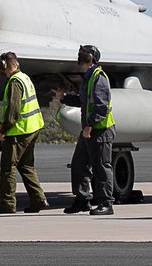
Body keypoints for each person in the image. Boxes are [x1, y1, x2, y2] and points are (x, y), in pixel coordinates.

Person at [52, 45, 115, 216]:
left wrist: (89, 126)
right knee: (79, 165)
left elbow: (101, 107)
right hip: (89, 130)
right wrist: (65, 98)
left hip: (100, 130)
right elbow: (83, 101)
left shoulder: (98, 78)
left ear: (92, 58)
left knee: (101, 167)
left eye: (83, 55)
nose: (80, 57)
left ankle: (106, 203)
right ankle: (82, 200)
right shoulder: (88, 77)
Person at [0, 51, 48, 214]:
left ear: (6, 66)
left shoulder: (15, 82)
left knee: (8, 167)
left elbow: (13, 110)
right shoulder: (25, 78)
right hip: (32, 128)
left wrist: (5, 130)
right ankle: (39, 200)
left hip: (19, 131)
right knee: (26, 165)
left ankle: (8, 203)